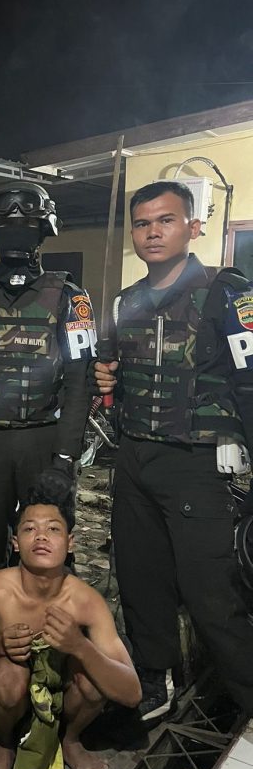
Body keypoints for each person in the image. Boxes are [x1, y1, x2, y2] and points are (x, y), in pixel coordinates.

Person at [95, 180, 253, 723]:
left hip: (197, 463)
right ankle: (154, 679)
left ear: (194, 227)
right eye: (142, 223)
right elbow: (120, 373)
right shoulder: (126, 300)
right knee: (142, 580)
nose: (153, 232)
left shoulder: (227, 291)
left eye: (166, 220)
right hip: (136, 457)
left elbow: (250, 378)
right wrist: (107, 378)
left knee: (211, 592)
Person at [0, 183, 96, 578]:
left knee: (47, 557)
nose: (16, 235)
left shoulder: (70, 297)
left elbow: (80, 384)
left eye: (27, 227)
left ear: (44, 232)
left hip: (44, 442)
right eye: (6, 227)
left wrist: (64, 458)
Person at [0, 478, 141, 769]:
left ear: (70, 542)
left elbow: (131, 693)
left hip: (61, 696)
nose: (41, 536)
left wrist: (79, 646)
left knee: (96, 675)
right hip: (7, 697)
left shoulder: (86, 601)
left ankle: (71, 739)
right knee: (9, 678)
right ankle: (3, 741)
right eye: (30, 529)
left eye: (53, 529)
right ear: (15, 543)